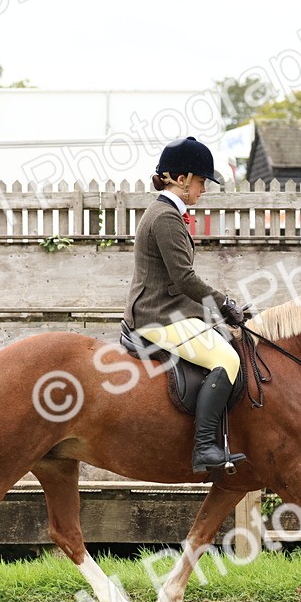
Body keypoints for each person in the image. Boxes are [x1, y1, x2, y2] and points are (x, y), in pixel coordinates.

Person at [122, 136, 247, 474]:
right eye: (201, 181)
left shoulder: (166, 213)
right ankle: (204, 447)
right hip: (157, 315)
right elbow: (184, 279)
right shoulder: (165, 217)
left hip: (169, 309)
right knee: (226, 359)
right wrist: (224, 304)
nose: (203, 189)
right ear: (182, 179)